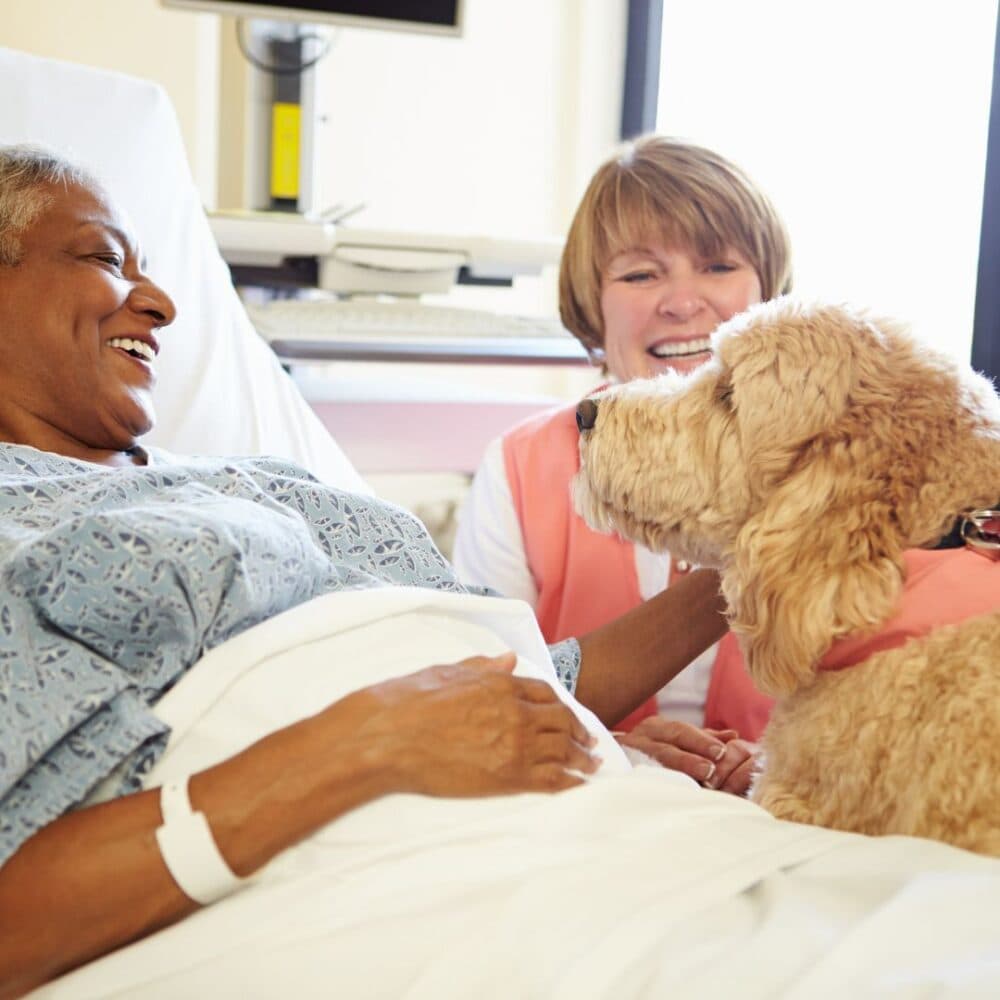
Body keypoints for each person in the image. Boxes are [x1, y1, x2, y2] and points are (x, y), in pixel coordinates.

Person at [0, 146, 748, 996]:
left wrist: (775, 546)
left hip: (611, 832)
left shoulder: (255, 477)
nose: (163, 304)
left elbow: (540, 678)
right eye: (103, 258)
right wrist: (362, 743)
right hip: (402, 886)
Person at [454, 136, 793, 789]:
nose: (682, 301)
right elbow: (483, 700)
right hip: (596, 804)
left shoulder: (835, 459)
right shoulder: (521, 468)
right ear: (592, 302)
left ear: (768, 288)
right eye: (641, 274)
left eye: (718, 265)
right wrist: (622, 750)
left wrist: (782, 763)